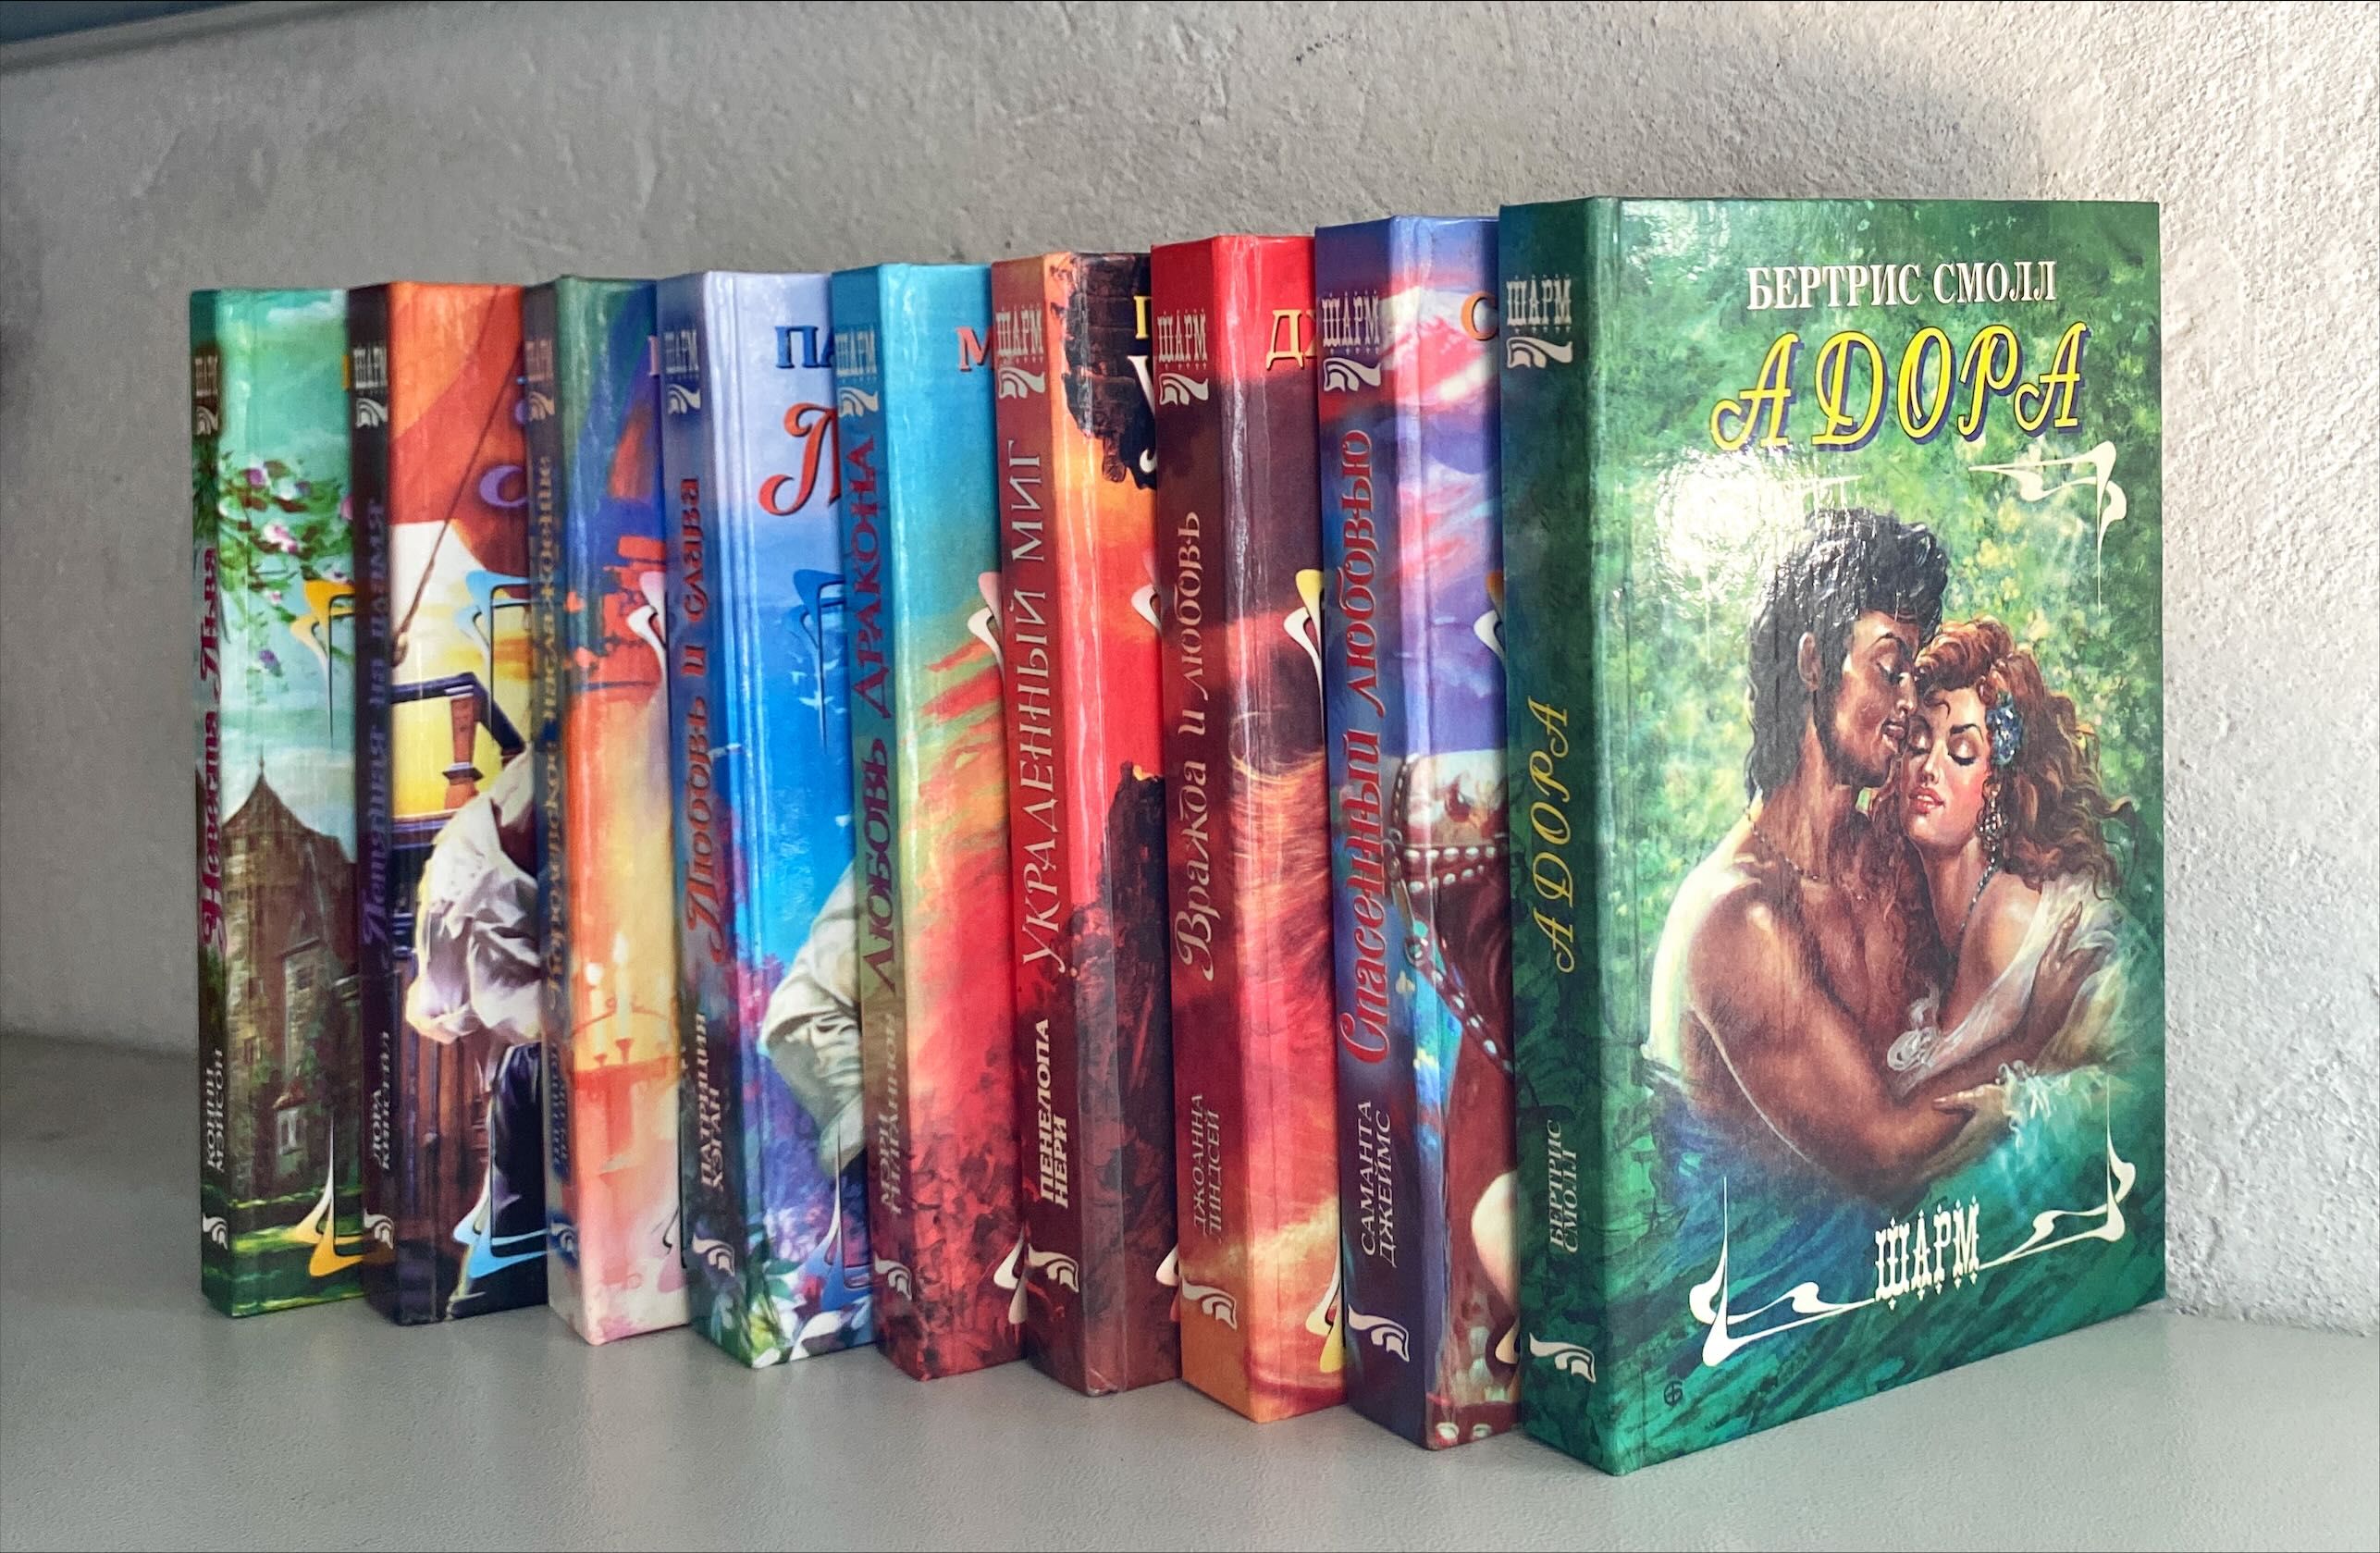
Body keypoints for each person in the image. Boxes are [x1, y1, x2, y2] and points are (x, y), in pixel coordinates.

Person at [1645, 510, 1992, 1202]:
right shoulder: (1737, 920)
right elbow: (1883, 1154)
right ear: (1811, 662)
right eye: (1890, 669)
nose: (1908, 702)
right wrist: (2039, 1048)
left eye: (1913, 676)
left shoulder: (1887, 864)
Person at [1865, 619, 2134, 1113]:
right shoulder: (1930, 919)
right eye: (1918, 744)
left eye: (1962, 752)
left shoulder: (2004, 916)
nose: (1929, 768)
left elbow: (1924, 1115)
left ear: (1996, 788)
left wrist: (2029, 1039)